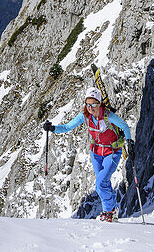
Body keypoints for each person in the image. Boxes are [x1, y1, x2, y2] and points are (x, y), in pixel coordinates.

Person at [43, 87, 133, 222]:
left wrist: (130, 141)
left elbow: (125, 126)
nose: (90, 107)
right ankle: (112, 210)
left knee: (100, 182)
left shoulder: (109, 116)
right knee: (104, 182)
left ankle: (109, 211)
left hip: (112, 152)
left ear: (100, 103)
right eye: (88, 104)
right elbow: (68, 127)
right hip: (96, 152)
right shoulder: (84, 116)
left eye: (94, 104)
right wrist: (53, 128)